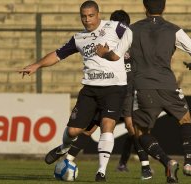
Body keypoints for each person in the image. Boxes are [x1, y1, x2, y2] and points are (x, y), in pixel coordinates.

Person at [95, 0, 191, 183]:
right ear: (164, 7)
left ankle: (167, 162)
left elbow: (115, 56)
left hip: (144, 88)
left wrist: (103, 53)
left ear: (144, 7)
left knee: (140, 132)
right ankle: (189, 161)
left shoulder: (132, 29)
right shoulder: (174, 30)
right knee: (185, 119)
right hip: (169, 85)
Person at [18, 1, 132, 182]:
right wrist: (37, 65)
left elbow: (130, 32)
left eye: (91, 16)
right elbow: (57, 55)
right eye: (84, 17)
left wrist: (115, 54)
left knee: (107, 126)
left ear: (98, 14)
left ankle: (101, 172)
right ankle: (63, 147)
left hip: (114, 88)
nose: (87, 20)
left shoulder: (114, 27)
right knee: (72, 131)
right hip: (90, 89)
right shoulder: (78, 38)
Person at [65, 9, 153, 180]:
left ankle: (144, 166)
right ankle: (68, 157)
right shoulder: (107, 43)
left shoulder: (130, 43)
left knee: (131, 127)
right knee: (91, 128)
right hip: (108, 89)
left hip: (125, 90)